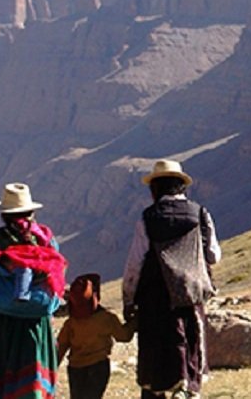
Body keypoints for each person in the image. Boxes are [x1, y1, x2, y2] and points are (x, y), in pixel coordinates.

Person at [122, 159, 220, 399]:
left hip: (155, 300)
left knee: (157, 353)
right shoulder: (200, 213)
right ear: (181, 187)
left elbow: (135, 264)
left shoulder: (148, 218)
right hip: (191, 295)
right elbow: (214, 255)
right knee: (190, 344)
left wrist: (128, 299)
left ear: (155, 189)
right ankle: (188, 388)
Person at [0, 183, 68, 399]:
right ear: (32, 212)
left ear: (4, 215)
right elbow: (55, 276)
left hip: (1, 322)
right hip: (36, 323)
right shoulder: (46, 241)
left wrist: (1, 297)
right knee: (32, 373)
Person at [57, 273, 135, 399]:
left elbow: (60, 348)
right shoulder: (106, 319)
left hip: (75, 369)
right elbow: (124, 336)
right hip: (98, 366)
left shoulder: (71, 323)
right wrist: (134, 322)